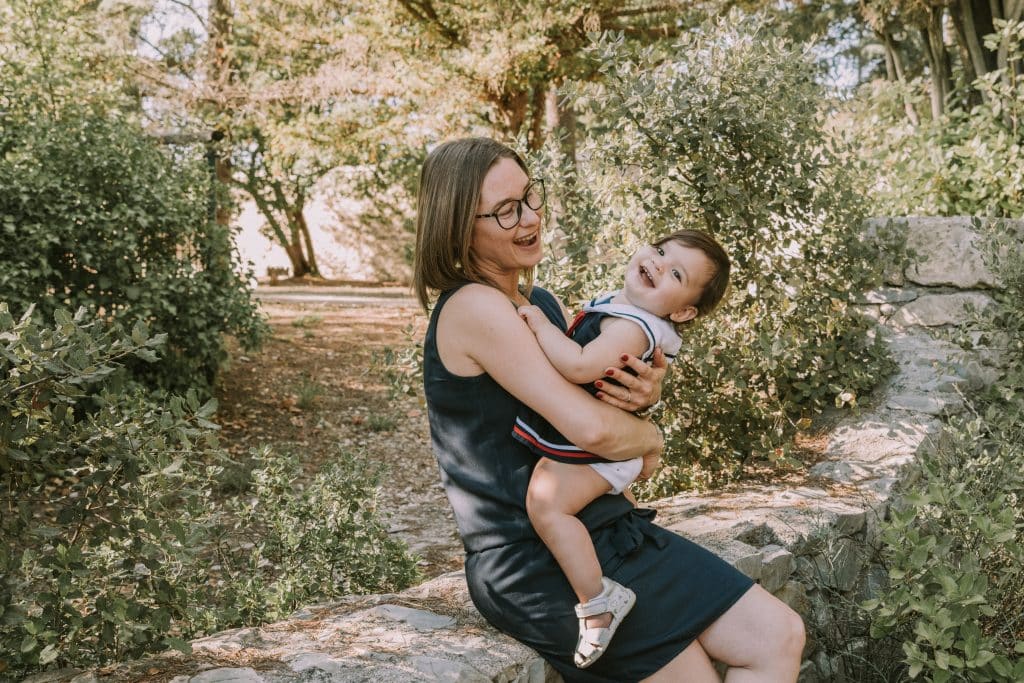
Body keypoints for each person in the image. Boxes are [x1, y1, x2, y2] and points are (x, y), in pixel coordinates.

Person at [414, 136, 805, 683]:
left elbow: (590, 407)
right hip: (534, 559)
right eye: (505, 210)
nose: (530, 218)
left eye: (529, 197)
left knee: (778, 635)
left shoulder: (540, 304)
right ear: (459, 225)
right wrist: (651, 439)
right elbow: (591, 430)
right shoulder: (474, 306)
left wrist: (643, 397)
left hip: (605, 528)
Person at [513, 229, 731, 668]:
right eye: (661, 250)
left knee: (548, 505)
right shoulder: (625, 308)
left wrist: (539, 324)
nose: (658, 263)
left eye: (676, 273)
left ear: (683, 311)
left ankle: (598, 600)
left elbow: (579, 366)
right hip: (606, 442)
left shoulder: (633, 328)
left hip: (602, 446)